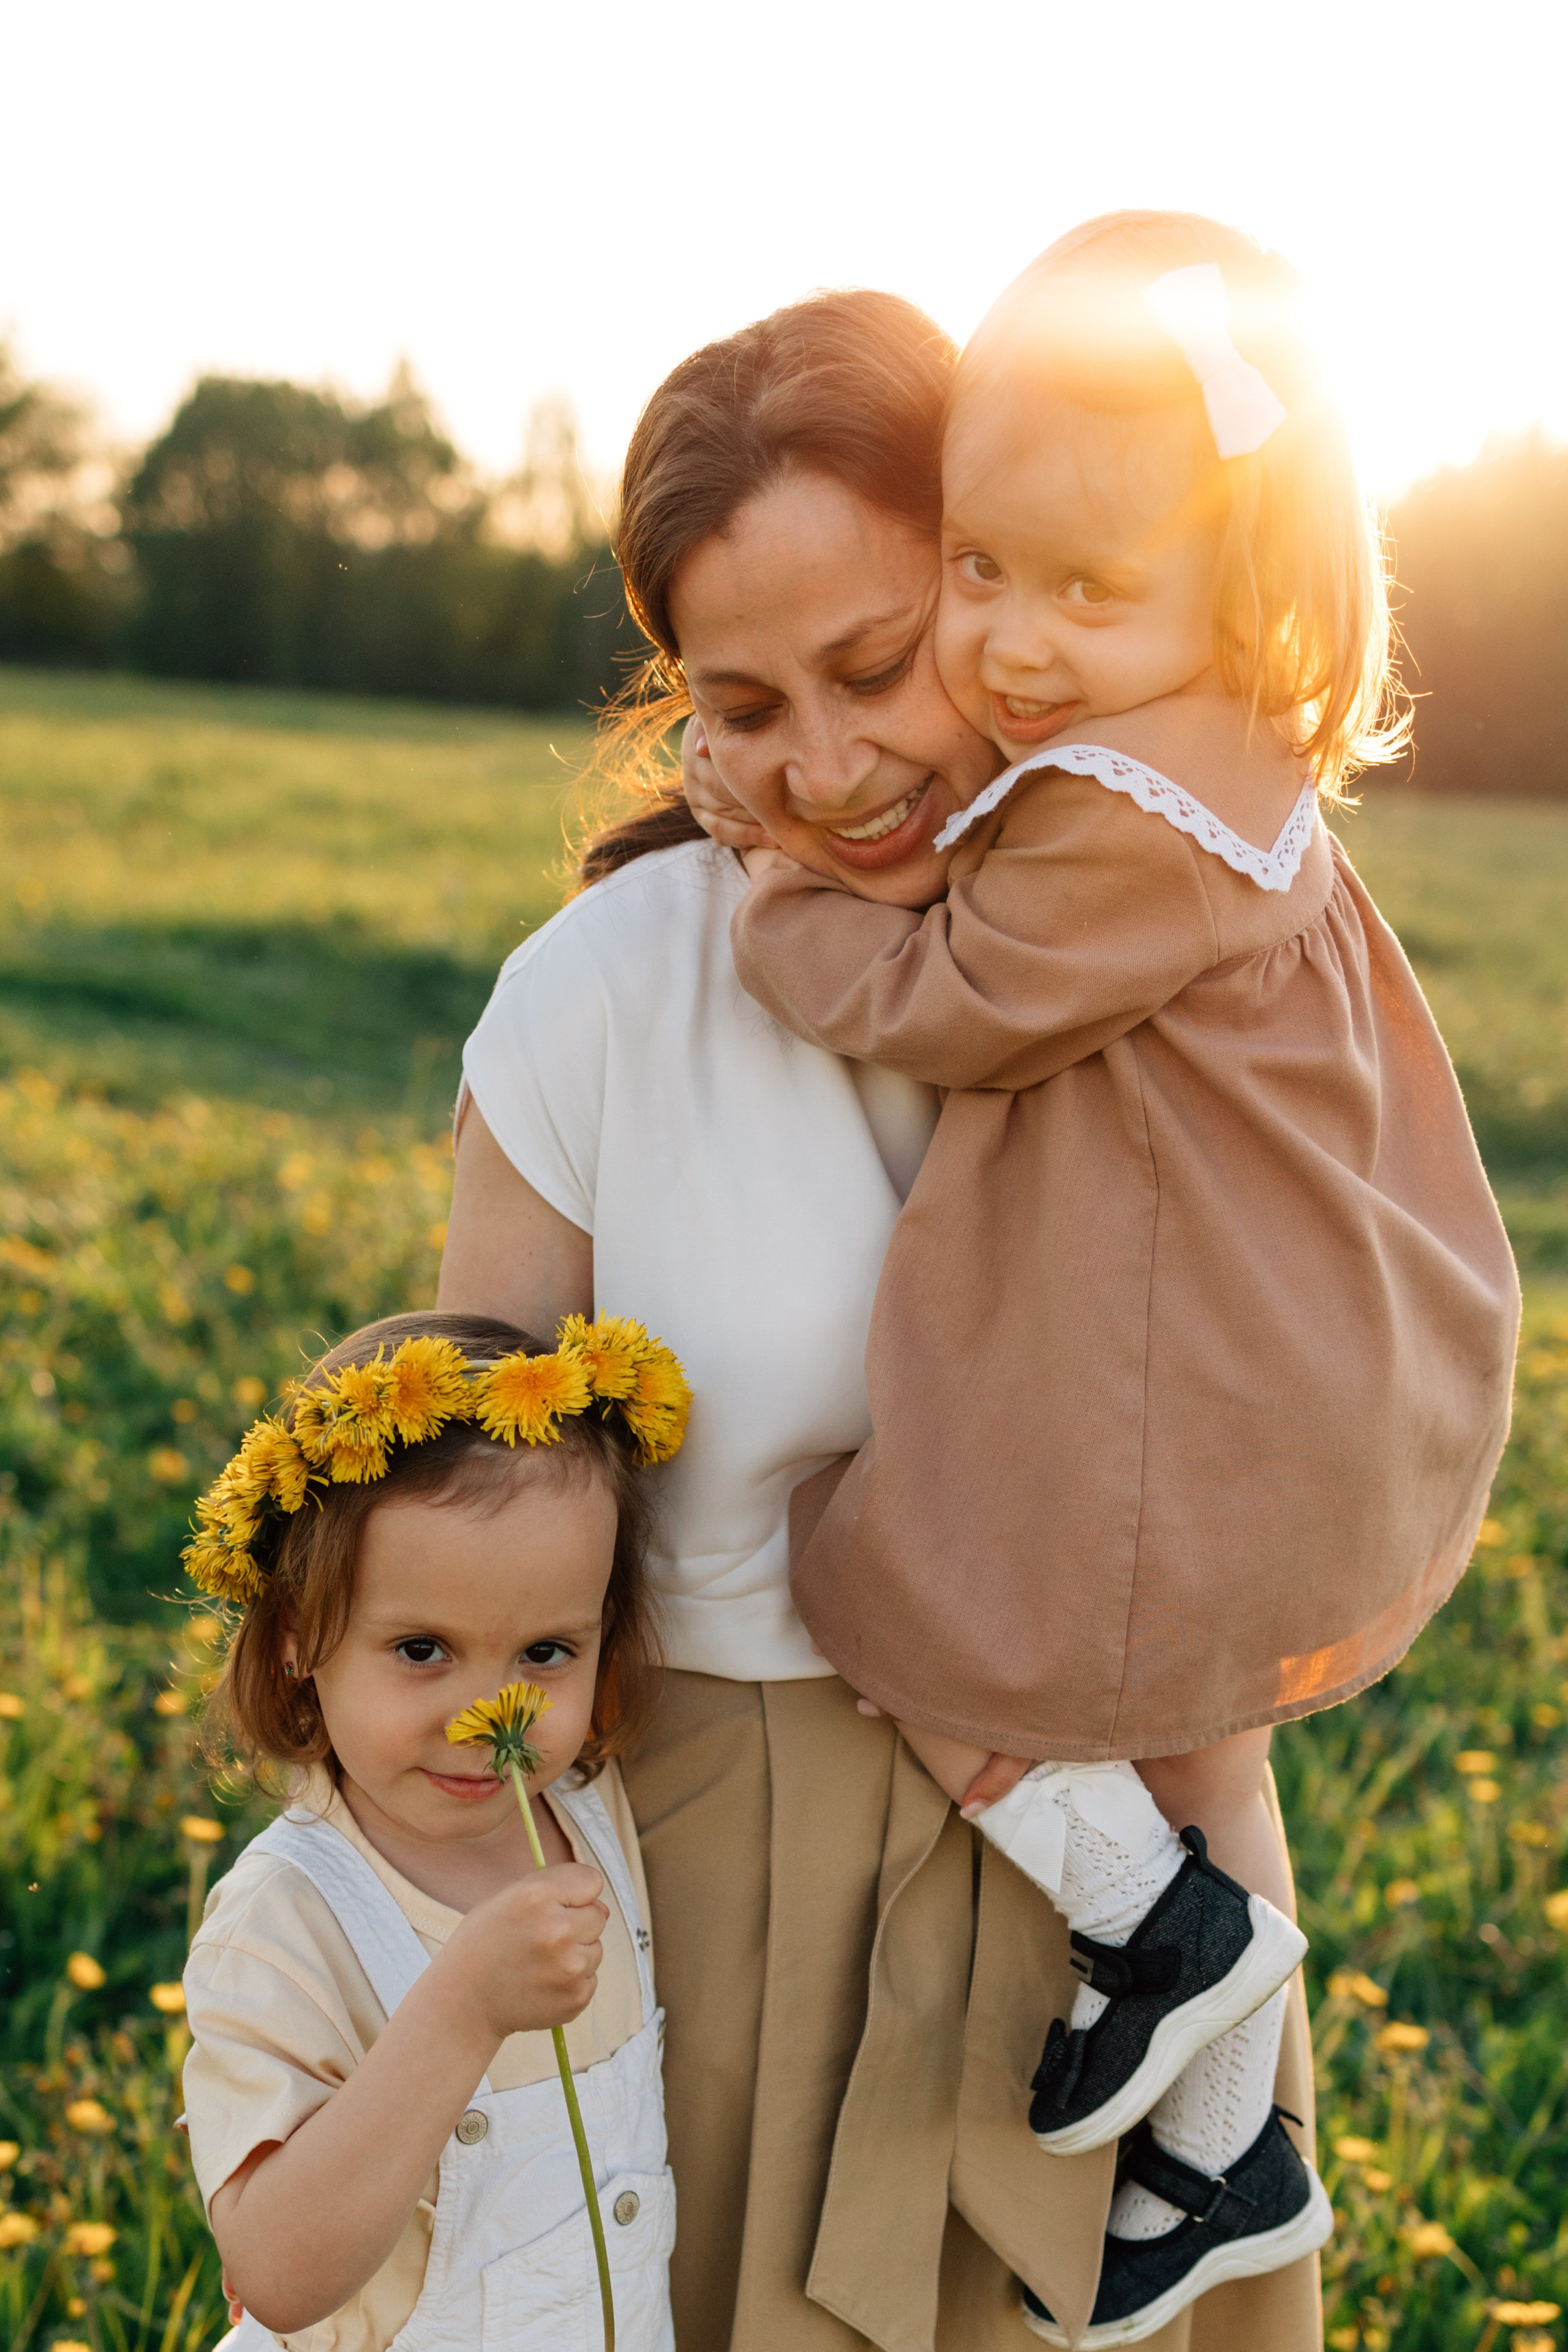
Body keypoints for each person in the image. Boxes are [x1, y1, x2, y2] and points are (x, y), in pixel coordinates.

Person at [441, 286, 1325, 2351]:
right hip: (718, 1888)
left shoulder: (1174, 945)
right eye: (742, 707)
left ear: (1007, 586)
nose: (829, 769)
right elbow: (477, 1511)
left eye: (876, 664)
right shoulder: (601, 999)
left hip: (1136, 1909)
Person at [712, 214, 1521, 2343]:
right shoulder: (1231, 758)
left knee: (899, 1607)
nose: (1023, 647)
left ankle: (1148, 1936)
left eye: (1093, 591)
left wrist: (772, 880)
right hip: (1310, 1344)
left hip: (1209, 1374)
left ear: (1233, 592)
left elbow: (945, 1000)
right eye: (983, 572)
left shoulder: (1126, 811)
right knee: (1208, 1746)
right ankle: (1227, 2139)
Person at [178, 1308, 684, 2350]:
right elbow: (272, 2272)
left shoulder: (593, 1818)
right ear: (294, 1641)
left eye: (546, 1653)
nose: (482, 1715)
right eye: (420, 1650)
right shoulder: (286, 1918)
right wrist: (461, 2009)